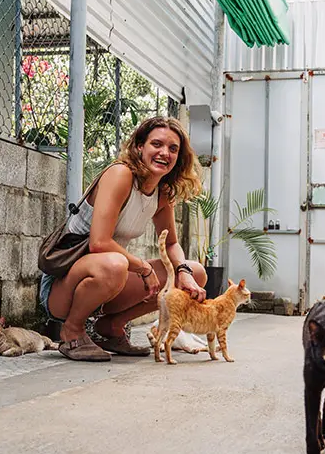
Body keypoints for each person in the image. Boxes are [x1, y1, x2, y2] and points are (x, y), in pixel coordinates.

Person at [39, 116, 207, 361]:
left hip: (109, 281)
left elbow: (171, 242)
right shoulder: (120, 175)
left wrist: (183, 271)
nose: (164, 153)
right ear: (140, 146)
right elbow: (99, 243)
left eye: (173, 149)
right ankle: (71, 329)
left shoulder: (162, 193)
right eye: (157, 144)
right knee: (116, 264)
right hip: (63, 286)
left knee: (196, 273)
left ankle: (111, 328)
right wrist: (144, 268)